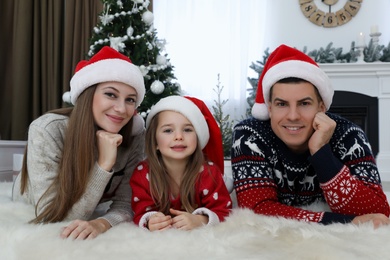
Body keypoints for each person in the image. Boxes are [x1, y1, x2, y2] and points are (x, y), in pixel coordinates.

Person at [231, 44, 390, 227]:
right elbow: (255, 210)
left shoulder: (350, 135)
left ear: (321, 108)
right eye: (282, 104)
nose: (293, 116)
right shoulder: (249, 135)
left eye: (304, 103)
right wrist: (341, 222)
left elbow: (379, 212)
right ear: (269, 109)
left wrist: (321, 152)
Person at [12, 46, 146, 239]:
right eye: (111, 94)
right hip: (29, 206)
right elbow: (53, 217)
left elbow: (126, 203)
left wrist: (101, 223)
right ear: (88, 94)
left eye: (130, 100)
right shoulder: (47, 130)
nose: (121, 108)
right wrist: (104, 164)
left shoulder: (135, 135)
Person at [130, 96, 232, 231]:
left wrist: (201, 220)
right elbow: (139, 212)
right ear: (154, 142)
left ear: (198, 137)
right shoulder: (142, 173)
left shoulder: (209, 172)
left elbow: (225, 212)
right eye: (168, 130)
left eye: (187, 130)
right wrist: (150, 221)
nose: (179, 136)